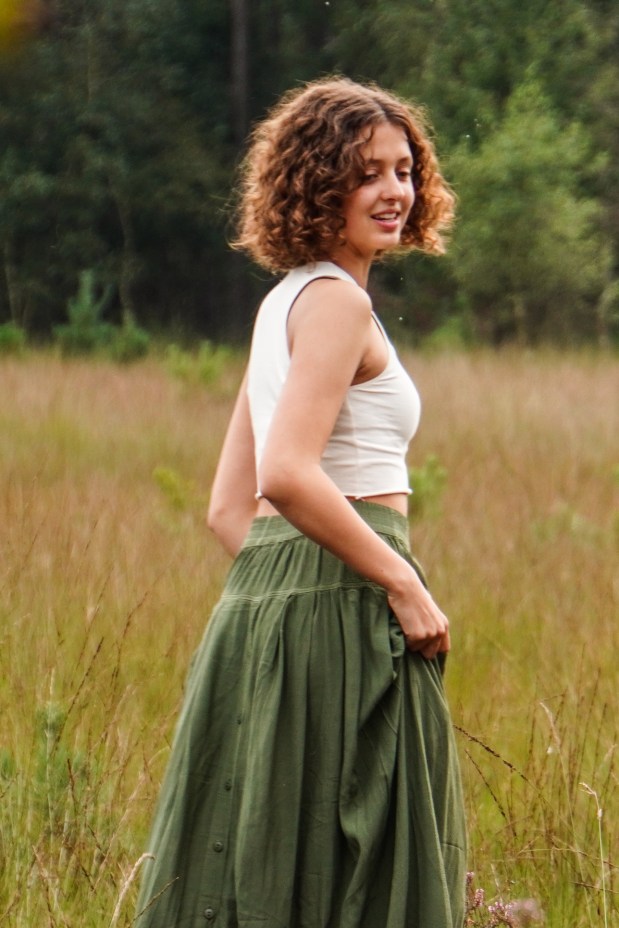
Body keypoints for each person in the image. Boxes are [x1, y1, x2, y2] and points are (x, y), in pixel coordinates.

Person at [135, 76, 467, 928]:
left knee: (273, 858)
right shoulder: (339, 304)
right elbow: (283, 472)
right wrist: (397, 581)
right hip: (348, 603)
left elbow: (227, 509)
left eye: (403, 171)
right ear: (318, 185)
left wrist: (291, 592)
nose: (393, 192)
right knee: (363, 865)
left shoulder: (282, 302)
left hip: (267, 609)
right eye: (366, 173)